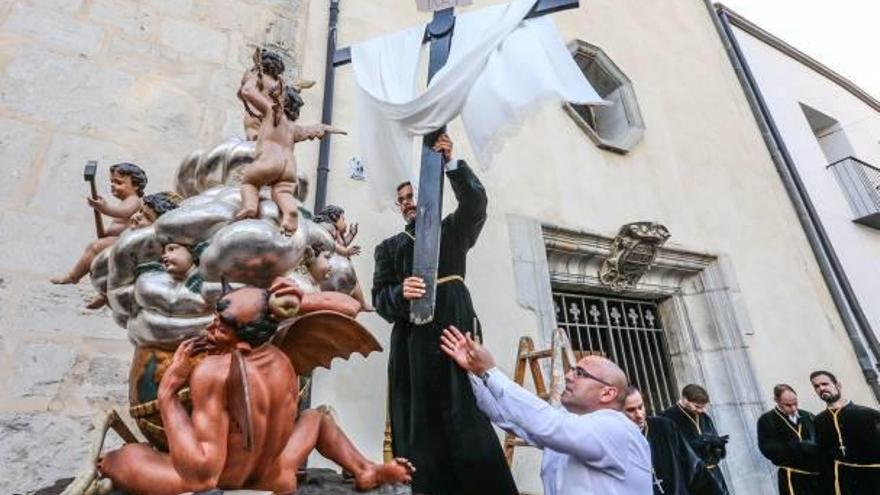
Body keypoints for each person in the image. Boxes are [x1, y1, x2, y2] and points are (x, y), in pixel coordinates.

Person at [98, 281, 414, 494]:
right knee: (316, 419)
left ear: (246, 342)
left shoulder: (213, 371)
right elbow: (347, 305)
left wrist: (169, 392)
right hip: (278, 474)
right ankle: (364, 468)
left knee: (125, 457)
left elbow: (203, 475)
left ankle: (366, 468)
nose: (211, 328)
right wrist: (298, 300)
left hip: (227, 477)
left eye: (222, 326)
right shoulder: (281, 358)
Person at [371, 133, 517, 495]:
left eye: (412, 196)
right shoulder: (389, 248)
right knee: (420, 427)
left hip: (454, 336)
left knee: (466, 421)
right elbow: (379, 299)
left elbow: (476, 205)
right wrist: (399, 293)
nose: (407, 203)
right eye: (401, 200)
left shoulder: (451, 232)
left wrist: (452, 164)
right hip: (413, 350)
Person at [440, 327, 651, 494]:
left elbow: (548, 423)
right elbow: (507, 418)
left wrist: (490, 371)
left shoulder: (616, 428)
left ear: (607, 394)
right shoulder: (573, 428)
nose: (568, 376)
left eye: (580, 373)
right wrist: (472, 373)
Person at [236, 49, 343, 234]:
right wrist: (325, 127)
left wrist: (254, 86)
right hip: (289, 167)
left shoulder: (271, 111)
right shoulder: (293, 127)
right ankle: (290, 213)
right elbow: (312, 130)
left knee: (249, 182)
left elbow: (247, 92)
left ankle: (250, 206)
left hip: (269, 159)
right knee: (283, 192)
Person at [51, 162, 147, 285]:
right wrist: (99, 212)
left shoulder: (134, 200)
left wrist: (104, 208)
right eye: (112, 182)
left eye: (119, 183)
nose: (113, 185)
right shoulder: (125, 201)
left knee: (95, 247)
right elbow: (107, 233)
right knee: (93, 247)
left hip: (126, 243)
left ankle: (73, 276)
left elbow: (123, 212)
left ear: (136, 186)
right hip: (119, 240)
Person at [623, 386, 720, 495]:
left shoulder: (664, 427)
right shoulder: (613, 440)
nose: (639, 415)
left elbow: (693, 467)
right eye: (631, 410)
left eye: (640, 407)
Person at [810, 370, 880, 495]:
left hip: (874, 480)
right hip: (843, 484)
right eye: (816, 386)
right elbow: (823, 458)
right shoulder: (818, 421)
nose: (821, 388)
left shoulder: (869, 414)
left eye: (825, 384)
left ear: (837, 385)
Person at [662, 384, 730, 494]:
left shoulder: (704, 417)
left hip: (713, 474)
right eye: (697, 406)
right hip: (690, 478)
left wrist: (718, 445)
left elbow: (715, 445)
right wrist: (697, 445)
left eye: (703, 407)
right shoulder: (667, 418)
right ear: (684, 399)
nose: (701, 410)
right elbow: (669, 452)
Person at [756, 384, 821, 495]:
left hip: (817, 476)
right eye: (788, 405)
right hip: (792, 477)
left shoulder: (808, 416)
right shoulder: (766, 420)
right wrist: (798, 447)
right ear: (776, 400)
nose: (793, 408)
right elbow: (767, 449)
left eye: (795, 403)